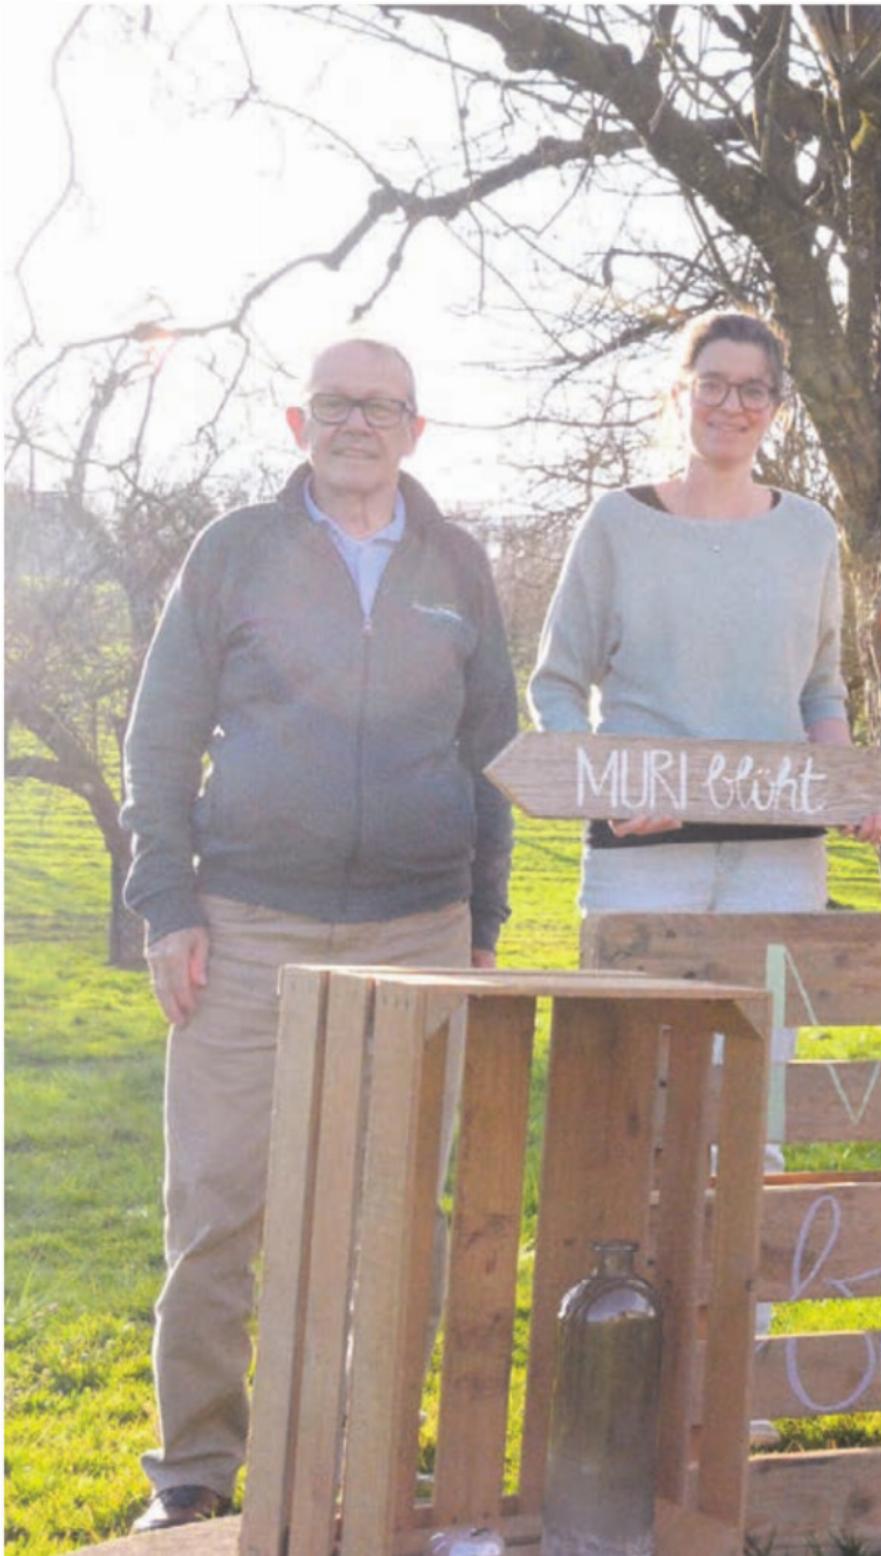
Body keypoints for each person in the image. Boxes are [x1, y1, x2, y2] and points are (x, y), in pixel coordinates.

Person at [120, 339, 518, 1530]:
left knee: (402, 1209)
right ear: (300, 421)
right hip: (245, 926)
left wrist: (485, 920)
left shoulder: (459, 563)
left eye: (382, 404)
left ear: (416, 426)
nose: (358, 422)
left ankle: (371, 1453)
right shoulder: (233, 550)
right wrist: (168, 905)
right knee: (217, 1204)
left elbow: (493, 753)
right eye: (337, 403)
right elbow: (159, 738)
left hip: (419, 925)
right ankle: (193, 1468)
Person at [528, 308, 881, 1445]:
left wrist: (850, 787)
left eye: (755, 389)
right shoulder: (615, 526)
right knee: (635, 1120)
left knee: (756, 1121)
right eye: (714, 382)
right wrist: (602, 786)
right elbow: (553, 688)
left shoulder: (812, 533)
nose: (733, 404)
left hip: (779, 865)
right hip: (644, 870)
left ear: (776, 409)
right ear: (677, 392)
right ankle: (620, 1379)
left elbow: (822, 689)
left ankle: (733, 1387)